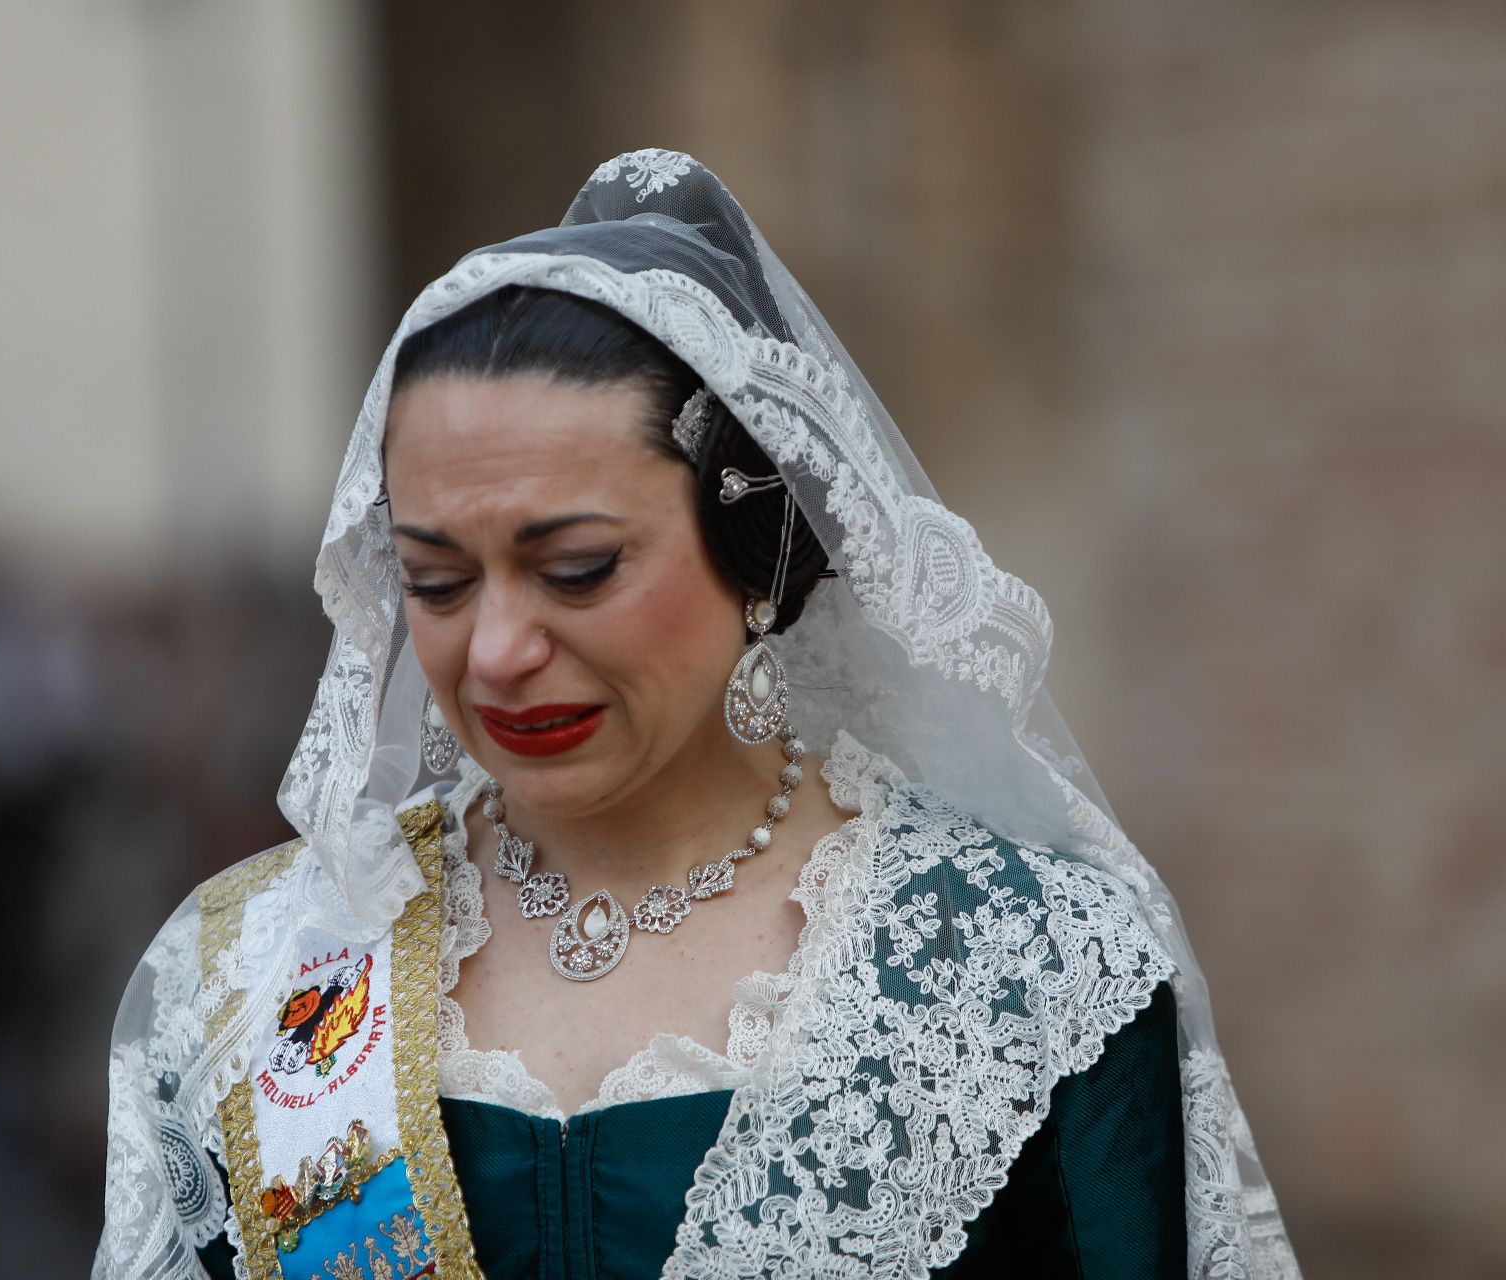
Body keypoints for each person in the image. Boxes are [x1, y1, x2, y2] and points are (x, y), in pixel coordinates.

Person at [93, 150, 1299, 1279]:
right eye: (438, 581)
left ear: (755, 551)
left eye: (575, 568)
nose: (500, 651)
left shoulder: (1035, 967)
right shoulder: (249, 977)